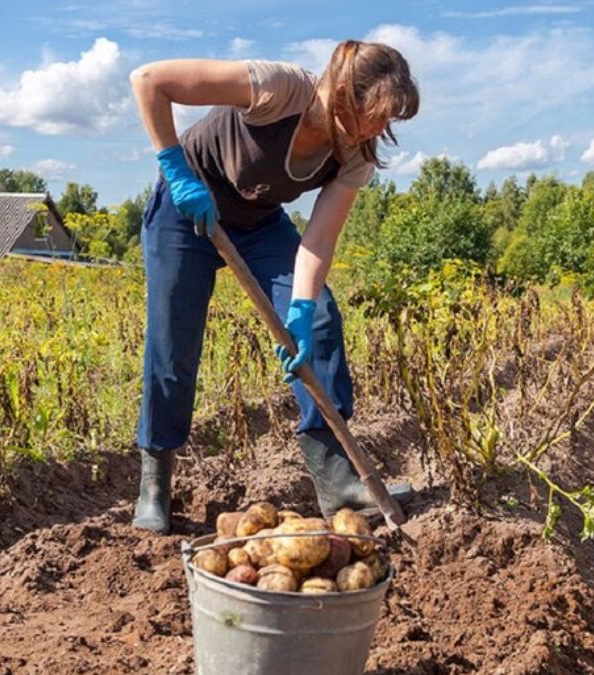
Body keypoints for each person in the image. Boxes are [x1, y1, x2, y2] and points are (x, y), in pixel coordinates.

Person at [129, 40, 419, 534]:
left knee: (322, 321)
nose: (379, 131)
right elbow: (149, 80)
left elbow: (318, 242)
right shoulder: (279, 87)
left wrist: (302, 309)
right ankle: (155, 484)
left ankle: (336, 480)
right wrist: (177, 173)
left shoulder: (356, 156)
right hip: (187, 211)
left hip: (259, 225)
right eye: (375, 115)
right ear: (344, 93)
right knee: (172, 348)